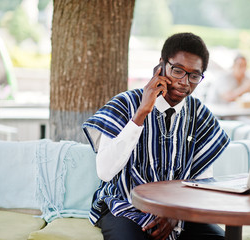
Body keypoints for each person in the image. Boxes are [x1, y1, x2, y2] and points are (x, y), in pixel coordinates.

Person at [82, 32, 230, 240]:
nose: (184, 83)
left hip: (179, 210)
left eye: (194, 76)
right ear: (161, 66)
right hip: (125, 205)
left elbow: (203, 182)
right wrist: (141, 114)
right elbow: (105, 172)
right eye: (177, 71)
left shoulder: (199, 115)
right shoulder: (125, 104)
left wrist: (176, 214)